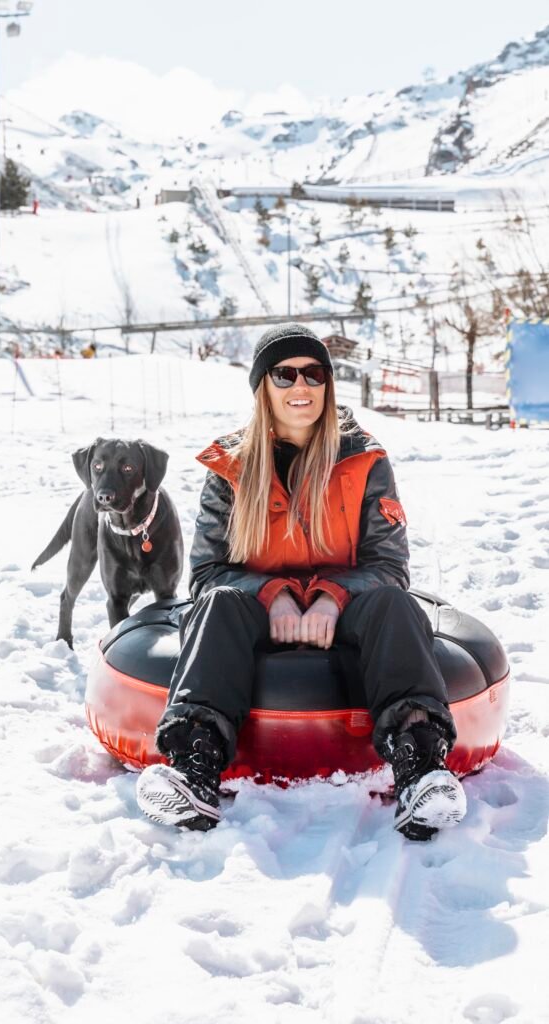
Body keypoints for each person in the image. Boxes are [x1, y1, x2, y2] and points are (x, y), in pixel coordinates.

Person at [136, 323, 466, 842]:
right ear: (263, 387)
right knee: (216, 604)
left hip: (348, 606)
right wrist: (274, 595)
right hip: (254, 607)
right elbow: (205, 572)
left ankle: (421, 770)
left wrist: (332, 598)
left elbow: (389, 564)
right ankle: (193, 767)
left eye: (314, 374)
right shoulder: (230, 467)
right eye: (284, 374)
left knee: (396, 606)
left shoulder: (365, 460)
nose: (300, 386)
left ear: (328, 385)